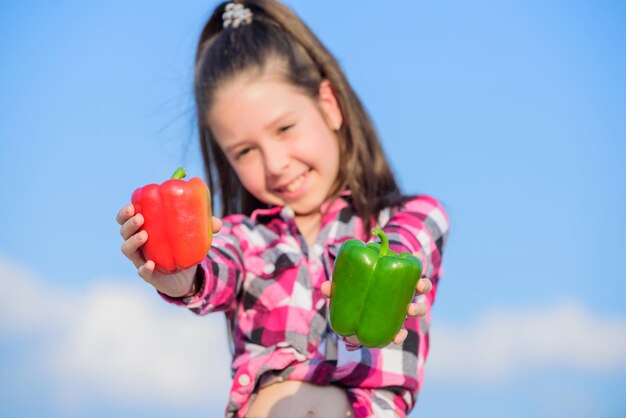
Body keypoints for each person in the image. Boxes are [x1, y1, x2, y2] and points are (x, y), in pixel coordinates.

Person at [116, 1, 450, 417]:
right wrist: (181, 275)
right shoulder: (245, 237)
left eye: (285, 129)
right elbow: (215, 267)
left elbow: (406, 247)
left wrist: (390, 293)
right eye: (245, 151)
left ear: (329, 104)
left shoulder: (412, 216)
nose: (275, 164)